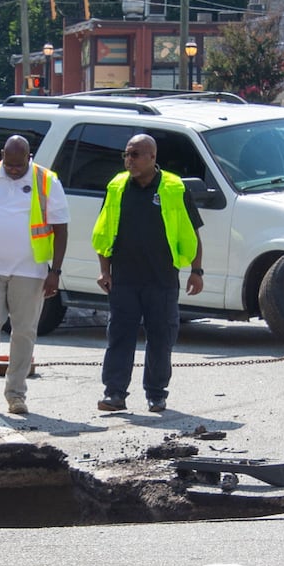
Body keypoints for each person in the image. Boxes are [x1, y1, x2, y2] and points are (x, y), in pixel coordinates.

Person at [0, 135, 68, 416]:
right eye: (10, 164)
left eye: (20, 165)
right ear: (2, 155)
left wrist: (55, 272)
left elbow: (61, 228)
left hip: (30, 271)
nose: (15, 170)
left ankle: (16, 395)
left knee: (24, 332)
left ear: (29, 158)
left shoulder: (46, 181)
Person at [92, 134, 204, 413]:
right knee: (119, 336)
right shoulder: (117, 187)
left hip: (162, 279)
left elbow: (192, 232)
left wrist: (196, 270)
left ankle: (156, 394)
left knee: (161, 337)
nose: (129, 160)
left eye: (135, 155)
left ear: (152, 157)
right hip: (124, 280)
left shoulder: (173, 188)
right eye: (126, 155)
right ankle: (114, 393)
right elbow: (105, 232)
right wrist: (104, 270)